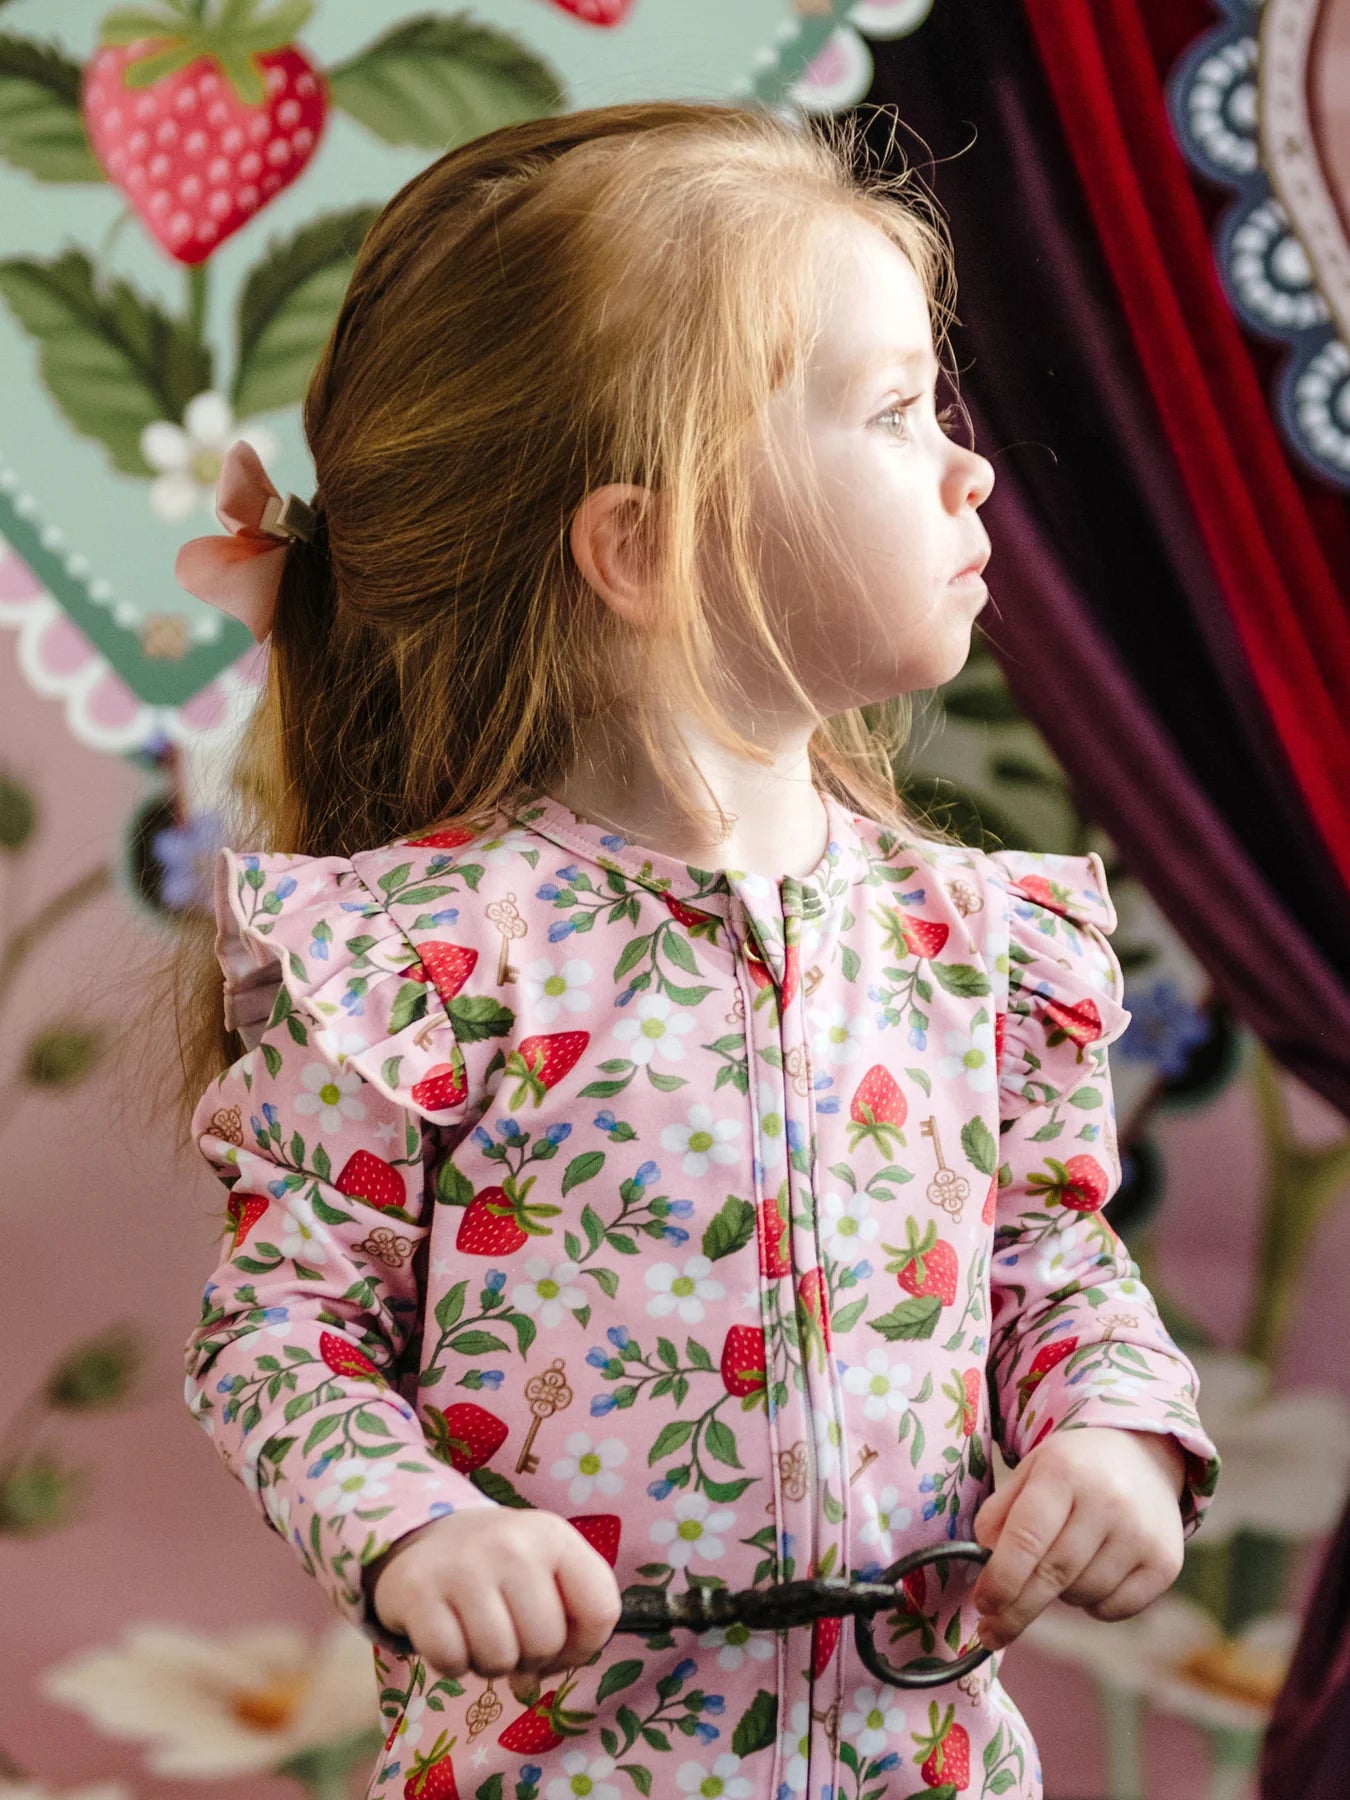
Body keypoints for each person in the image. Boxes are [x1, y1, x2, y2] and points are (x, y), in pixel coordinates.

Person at [171, 100, 1222, 1800]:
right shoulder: (418, 960)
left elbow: (1046, 1258)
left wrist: (1112, 1428)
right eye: (891, 414)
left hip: (925, 1763)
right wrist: (416, 1527)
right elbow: (285, 1327)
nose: (968, 466)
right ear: (643, 547)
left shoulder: (976, 942)